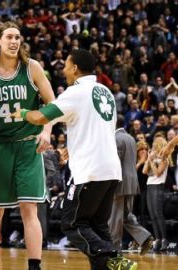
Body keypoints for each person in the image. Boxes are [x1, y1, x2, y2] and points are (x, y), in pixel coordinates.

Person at [11, 49, 137, 270]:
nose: (64, 70)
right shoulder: (104, 91)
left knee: (72, 224)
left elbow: (41, 116)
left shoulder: (76, 92)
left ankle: (113, 255)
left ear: (75, 68)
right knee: (97, 226)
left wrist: (21, 113)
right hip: (110, 169)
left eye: (66, 66)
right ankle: (110, 263)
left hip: (89, 170)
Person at [0, 21, 55, 270]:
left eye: (17, 37)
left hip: (28, 146)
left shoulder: (32, 68)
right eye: (9, 37)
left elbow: (52, 104)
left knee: (30, 209)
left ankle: (35, 265)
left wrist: (47, 131)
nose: (14, 41)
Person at [108, 114, 152, 254]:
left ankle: (114, 250)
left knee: (115, 218)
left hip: (119, 182)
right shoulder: (130, 138)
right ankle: (144, 237)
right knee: (126, 215)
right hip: (132, 182)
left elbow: (115, 163)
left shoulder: (115, 138)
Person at [143, 136, 170, 251]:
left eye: (155, 143)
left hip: (158, 186)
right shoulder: (153, 158)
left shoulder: (165, 159)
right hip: (150, 186)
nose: (153, 145)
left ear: (159, 145)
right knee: (152, 215)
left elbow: (158, 173)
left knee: (158, 214)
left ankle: (164, 239)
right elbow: (144, 171)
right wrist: (149, 159)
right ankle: (157, 239)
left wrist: (152, 161)